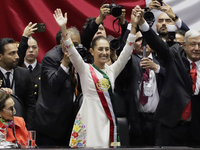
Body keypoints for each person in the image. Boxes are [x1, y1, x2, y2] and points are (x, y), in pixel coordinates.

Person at [53, 7, 139, 148]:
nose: (104, 52)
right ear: (92, 51)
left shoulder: (113, 70)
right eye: (100, 49)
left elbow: (127, 51)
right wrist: (63, 28)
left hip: (107, 123)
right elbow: (71, 50)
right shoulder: (84, 69)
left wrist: (134, 27)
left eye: (107, 49)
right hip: (89, 122)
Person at [135, 5, 200, 146]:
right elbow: (157, 43)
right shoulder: (175, 56)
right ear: (184, 45)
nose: (197, 48)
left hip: (196, 127)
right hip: (170, 125)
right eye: (193, 44)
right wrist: (142, 23)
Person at [115, 30, 165, 146]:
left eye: (147, 39)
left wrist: (156, 68)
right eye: (139, 39)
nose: (143, 43)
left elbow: (172, 77)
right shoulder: (129, 61)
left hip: (157, 119)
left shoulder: (161, 61)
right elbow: (123, 53)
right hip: (136, 119)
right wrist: (129, 28)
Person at [35, 27, 82, 147]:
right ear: (62, 43)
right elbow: (53, 85)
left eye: (76, 44)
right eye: (70, 44)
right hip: (51, 122)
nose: (73, 48)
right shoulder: (51, 58)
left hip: (71, 121)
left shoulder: (80, 55)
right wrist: (65, 64)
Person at [0, 38, 35, 130]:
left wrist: (28, 129)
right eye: (12, 53)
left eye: (16, 52)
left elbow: (30, 105)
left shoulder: (24, 74)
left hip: (20, 127)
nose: (17, 56)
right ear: (0, 56)